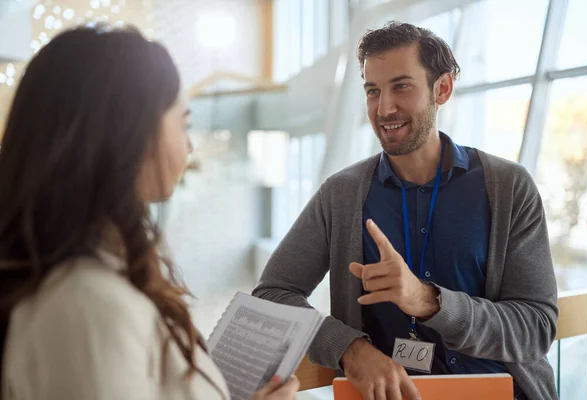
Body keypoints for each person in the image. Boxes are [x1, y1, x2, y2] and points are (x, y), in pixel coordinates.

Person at [253, 21, 558, 400]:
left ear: (441, 89)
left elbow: (537, 326)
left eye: (401, 86)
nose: (384, 108)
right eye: (372, 90)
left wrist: (428, 301)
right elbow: (272, 295)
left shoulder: (509, 186)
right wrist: (349, 349)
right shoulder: (341, 194)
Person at [0, 25, 299, 400]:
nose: (189, 145)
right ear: (133, 134)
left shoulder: (90, 282)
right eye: (183, 123)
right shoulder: (88, 307)